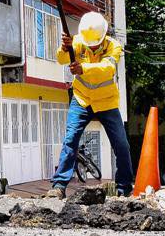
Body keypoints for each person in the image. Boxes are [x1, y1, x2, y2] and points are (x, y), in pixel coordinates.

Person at [49, 12, 134, 197]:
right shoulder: (79, 41)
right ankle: (58, 186)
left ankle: (124, 188)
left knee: (121, 145)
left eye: (95, 43)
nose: (91, 46)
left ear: (103, 36)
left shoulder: (114, 46)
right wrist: (65, 48)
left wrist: (83, 68)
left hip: (106, 101)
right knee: (70, 140)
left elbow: (108, 69)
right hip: (82, 98)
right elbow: (61, 59)